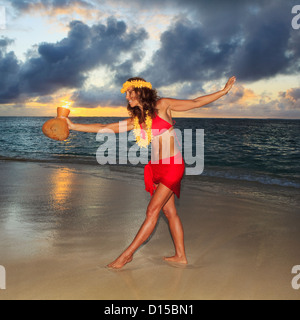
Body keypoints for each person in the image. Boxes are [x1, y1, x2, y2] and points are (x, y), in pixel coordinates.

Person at [66, 76, 236, 269]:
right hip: (155, 168)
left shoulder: (163, 105)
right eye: (126, 93)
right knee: (169, 211)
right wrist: (73, 126)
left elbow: (196, 102)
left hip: (173, 166)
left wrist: (223, 91)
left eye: (131, 92)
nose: (127, 96)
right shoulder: (137, 119)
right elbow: (106, 128)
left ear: (141, 91)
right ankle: (180, 256)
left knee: (152, 211)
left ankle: (126, 256)